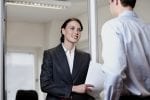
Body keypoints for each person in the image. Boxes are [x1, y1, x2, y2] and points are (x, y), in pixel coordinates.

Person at [100, 0, 150, 100]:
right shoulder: (147, 28)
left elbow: (114, 73)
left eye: (109, 1)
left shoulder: (113, 26)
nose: (109, 4)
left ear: (117, 1)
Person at [40, 18, 94, 100]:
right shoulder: (50, 54)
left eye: (79, 30)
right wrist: (73, 88)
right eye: (72, 28)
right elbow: (45, 85)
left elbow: (88, 84)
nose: (76, 32)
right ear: (63, 31)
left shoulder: (86, 57)